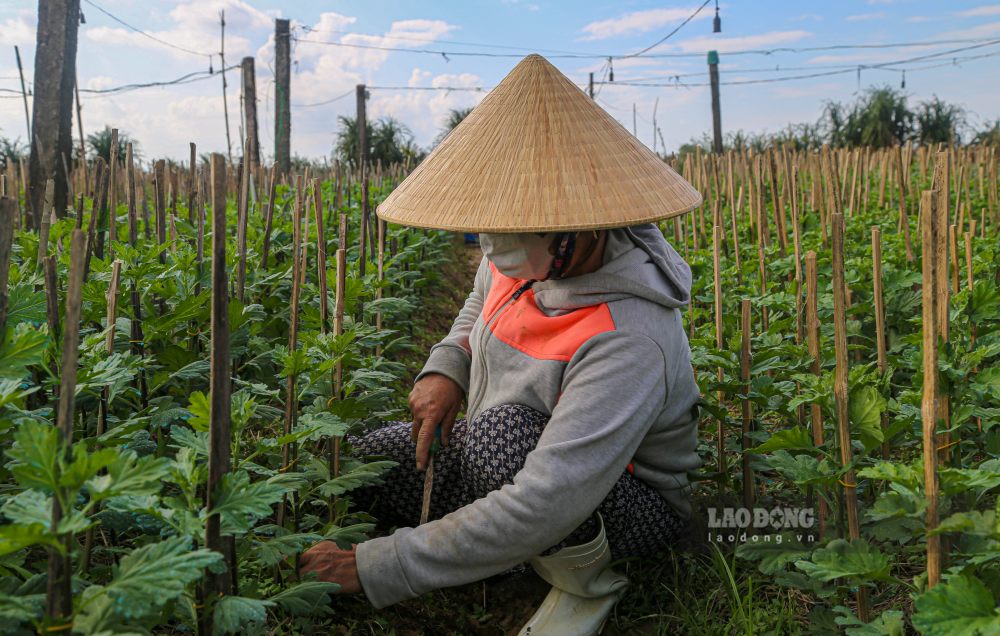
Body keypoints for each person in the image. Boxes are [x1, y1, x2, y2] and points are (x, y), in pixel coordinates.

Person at [301, 54, 703, 635]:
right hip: (505, 450)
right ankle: (496, 538)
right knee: (369, 463)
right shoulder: (529, 256)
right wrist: (448, 368)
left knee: (499, 440)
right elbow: (478, 304)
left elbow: (549, 497)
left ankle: (566, 567)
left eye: (511, 230)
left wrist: (377, 566)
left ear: (581, 225)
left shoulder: (631, 336)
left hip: (621, 498)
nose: (492, 247)